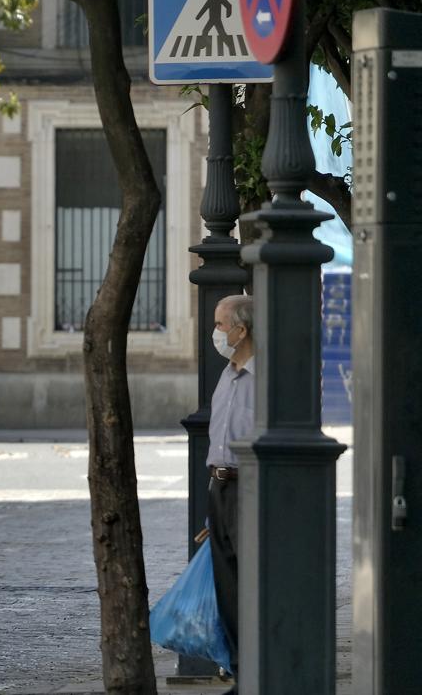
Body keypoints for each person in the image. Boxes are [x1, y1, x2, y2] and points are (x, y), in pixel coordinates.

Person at [207, 294, 254, 692]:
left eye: (222, 326)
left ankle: (255, 673)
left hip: (247, 488)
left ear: (241, 330)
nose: (216, 333)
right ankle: (241, 672)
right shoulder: (227, 373)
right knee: (228, 589)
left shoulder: (263, 377)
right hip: (219, 487)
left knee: (249, 584)